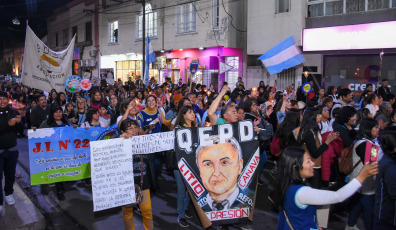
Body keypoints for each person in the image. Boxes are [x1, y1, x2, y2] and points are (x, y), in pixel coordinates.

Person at [275, 146, 378, 230]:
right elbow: (338, 196)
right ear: (295, 167)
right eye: (308, 161)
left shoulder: (288, 184)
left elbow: (296, 216)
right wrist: (361, 177)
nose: (313, 163)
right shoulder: (302, 192)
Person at [119, 119, 154, 230]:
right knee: (127, 212)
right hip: (126, 183)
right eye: (130, 128)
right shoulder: (118, 142)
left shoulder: (143, 141)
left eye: (135, 127)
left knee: (147, 210)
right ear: (122, 131)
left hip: (143, 181)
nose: (134, 130)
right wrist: (119, 141)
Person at [346, 118, 380, 230]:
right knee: (369, 211)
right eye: (376, 127)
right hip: (365, 183)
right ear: (369, 129)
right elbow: (372, 163)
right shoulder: (366, 144)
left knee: (358, 204)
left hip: (362, 183)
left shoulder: (366, 142)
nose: (378, 130)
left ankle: (350, 225)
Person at [196, 137, 244, 212]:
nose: (216, 173)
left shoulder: (249, 198)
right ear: (199, 170)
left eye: (224, 163)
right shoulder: (196, 202)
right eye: (208, 164)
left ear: (239, 166)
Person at [297, 106, 339, 188]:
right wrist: (327, 141)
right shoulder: (308, 132)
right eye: (319, 114)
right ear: (312, 116)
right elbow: (315, 153)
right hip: (310, 166)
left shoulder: (315, 128)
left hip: (315, 165)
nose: (321, 116)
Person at [39, 104, 73, 200]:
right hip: (52, 152)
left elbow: (74, 135)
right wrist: (34, 131)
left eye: (60, 112)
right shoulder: (46, 124)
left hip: (65, 152)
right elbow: (39, 136)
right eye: (56, 112)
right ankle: (59, 191)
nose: (58, 114)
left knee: (64, 170)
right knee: (57, 170)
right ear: (52, 113)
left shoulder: (67, 122)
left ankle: (61, 186)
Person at [173, 106, 196, 227]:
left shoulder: (194, 127)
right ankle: (180, 215)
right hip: (180, 165)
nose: (193, 114)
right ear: (184, 115)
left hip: (192, 164)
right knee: (182, 191)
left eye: (193, 112)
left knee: (191, 191)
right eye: (190, 112)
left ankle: (185, 208)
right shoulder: (178, 128)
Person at [0, 91, 22, 211]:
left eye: (4, 99)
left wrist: (18, 122)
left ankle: (9, 193)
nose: (2, 101)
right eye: (0, 99)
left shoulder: (13, 111)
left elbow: (20, 130)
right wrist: (8, 124)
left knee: (10, 175)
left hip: (12, 150)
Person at [373, 126, 396, 229]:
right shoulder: (390, 166)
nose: (377, 129)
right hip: (388, 218)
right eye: (375, 127)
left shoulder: (388, 159)